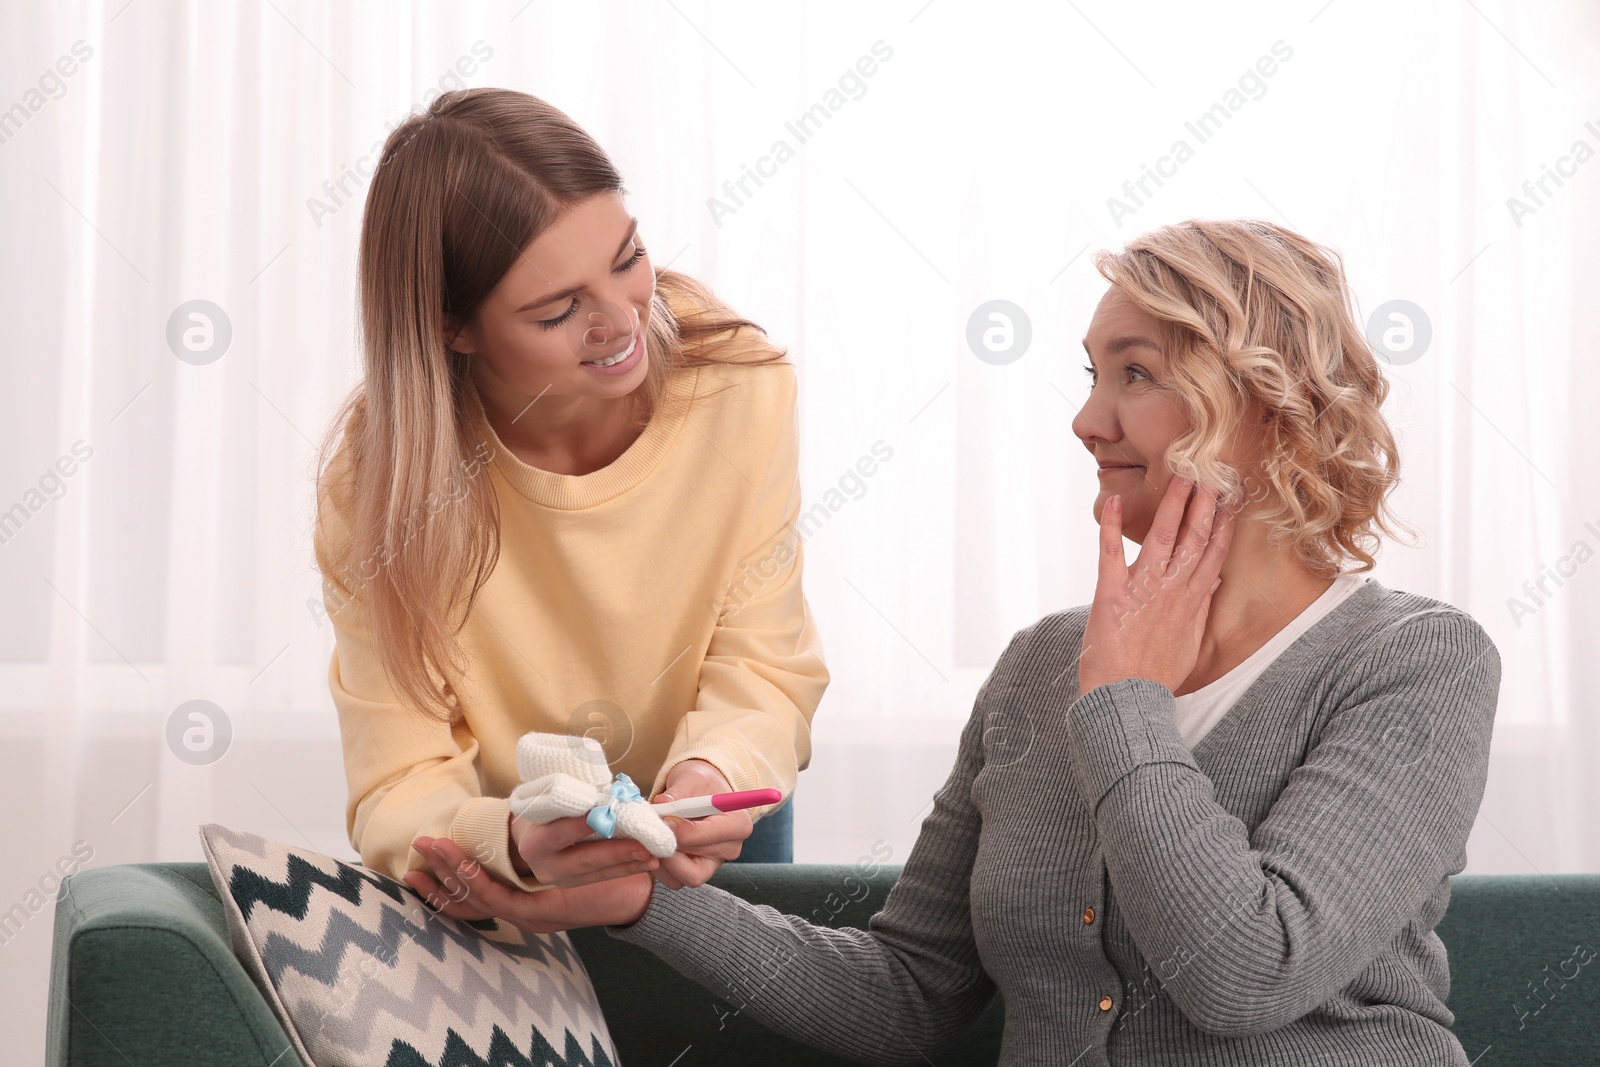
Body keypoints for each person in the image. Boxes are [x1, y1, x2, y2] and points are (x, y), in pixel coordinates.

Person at [407, 219, 1502, 1067]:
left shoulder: (1414, 663)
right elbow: (908, 993)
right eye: (1089, 373)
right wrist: (648, 899)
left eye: (1136, 372)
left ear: (1270, 403)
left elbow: (1247, 970)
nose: (1087, 420)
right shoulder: (1038, 668)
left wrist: (1125, 700)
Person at [313, 87, 826, 899]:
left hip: (713, 825)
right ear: (455, 328)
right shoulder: (376, 484)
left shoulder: (738, 390)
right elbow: (398, 778)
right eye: (558, 310)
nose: (621, 321)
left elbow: (763, 663)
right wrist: (512, 844)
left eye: (627, 258)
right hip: (498, 868)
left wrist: (710, 769)